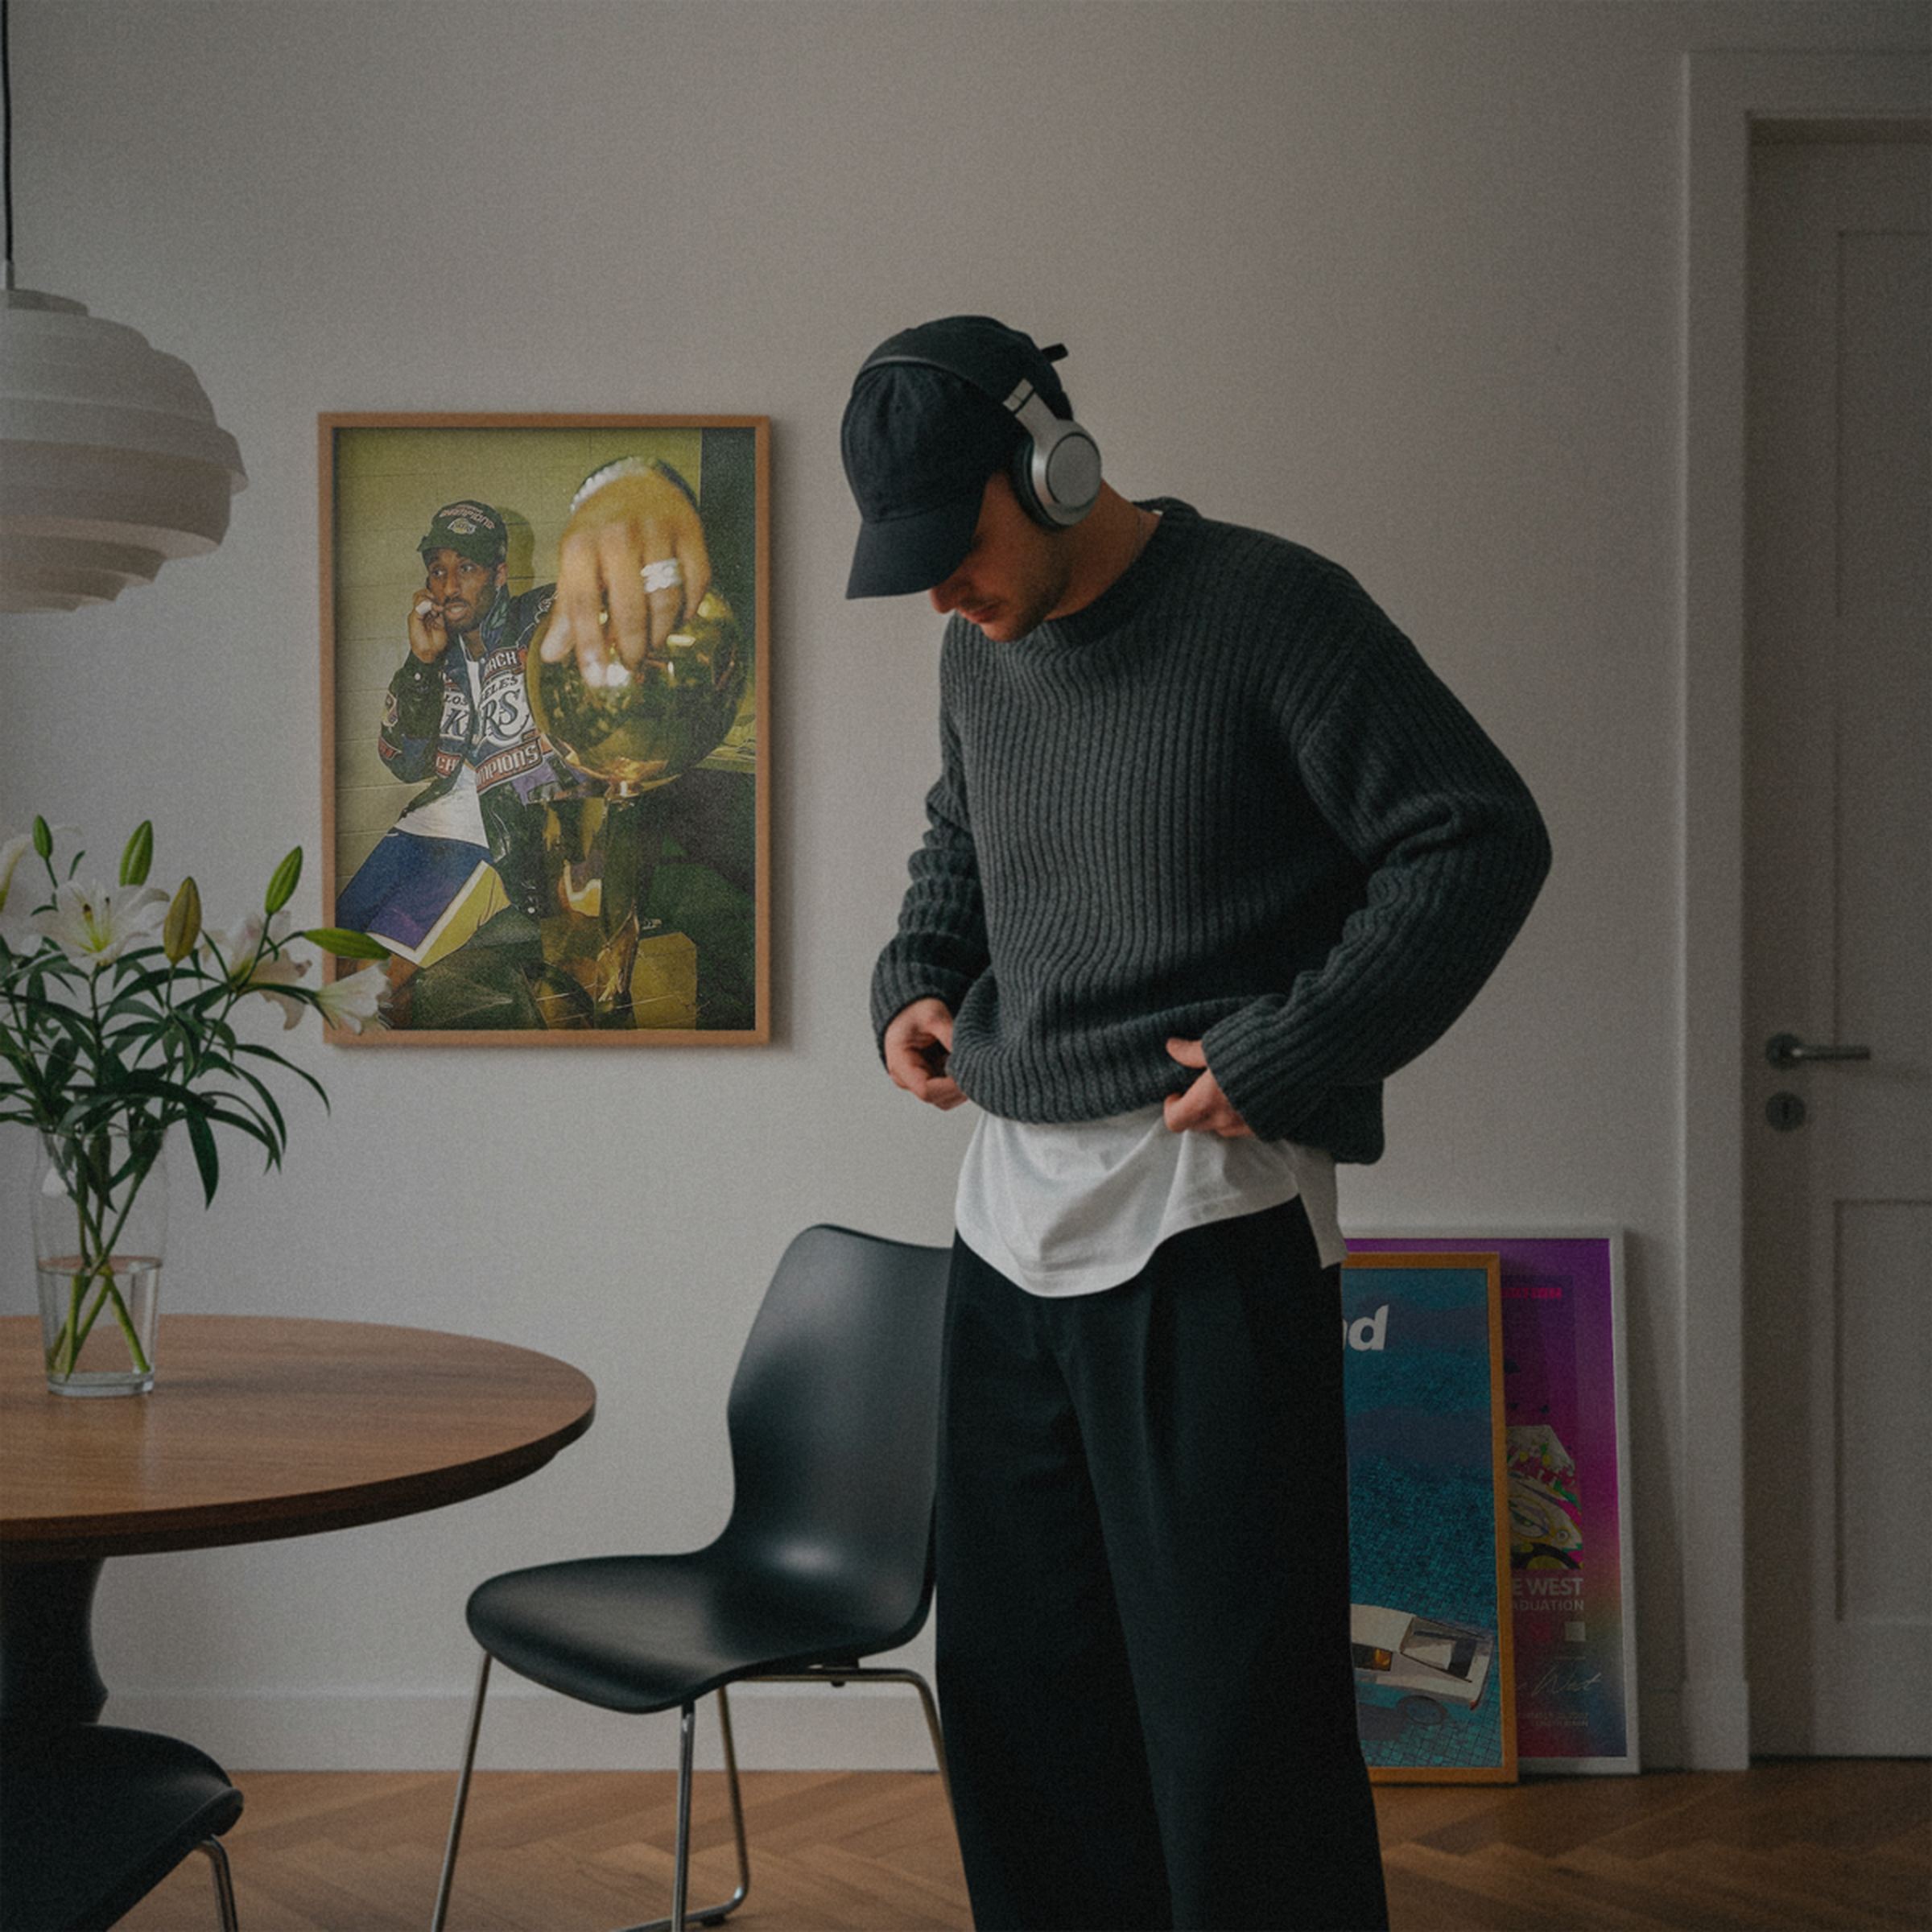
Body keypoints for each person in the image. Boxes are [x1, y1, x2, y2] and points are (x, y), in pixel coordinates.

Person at [840, 314, 1550, 1932]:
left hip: (1204, 1228)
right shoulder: (982, 652)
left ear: (1053, 463)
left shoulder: (1271, 612)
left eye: (957, 551)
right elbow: (965, 831)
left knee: (1238, 1731)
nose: (943, 595)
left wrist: (1297, 1042)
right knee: (1026, 1713)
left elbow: (1476, 836)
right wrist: (919, 974)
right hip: (1003, 1232)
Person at [341, 456, 758, 1029]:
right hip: (422, 827)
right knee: (332, 948)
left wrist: (638, 504)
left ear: (500, 572)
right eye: (438, 570)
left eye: (468, 568)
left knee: (375, 984)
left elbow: (623, 596)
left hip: (499, 836)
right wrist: (421, 662)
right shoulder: (433, 653)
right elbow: (402, 762)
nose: (449, 584)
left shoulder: (541, 618)